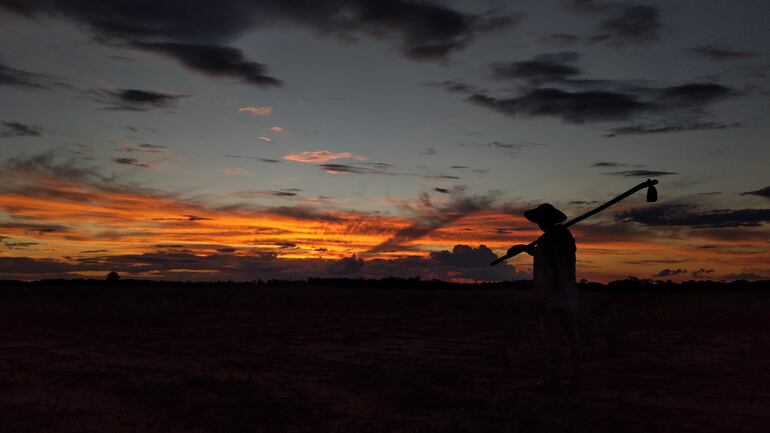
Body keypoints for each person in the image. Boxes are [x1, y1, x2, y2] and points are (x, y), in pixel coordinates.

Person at [508, 203, 582, 392]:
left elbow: (546, 271)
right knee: (573, 339)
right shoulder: (564, 237)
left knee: (553, 342)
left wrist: (541, 299)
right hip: (569, 297)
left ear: (544, 221)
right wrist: (525, 248)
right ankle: (576, 378)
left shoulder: (548, 239)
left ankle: (554, 380)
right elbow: (549, 254)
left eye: (540, 221)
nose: (539, 224)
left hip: (551, 299)